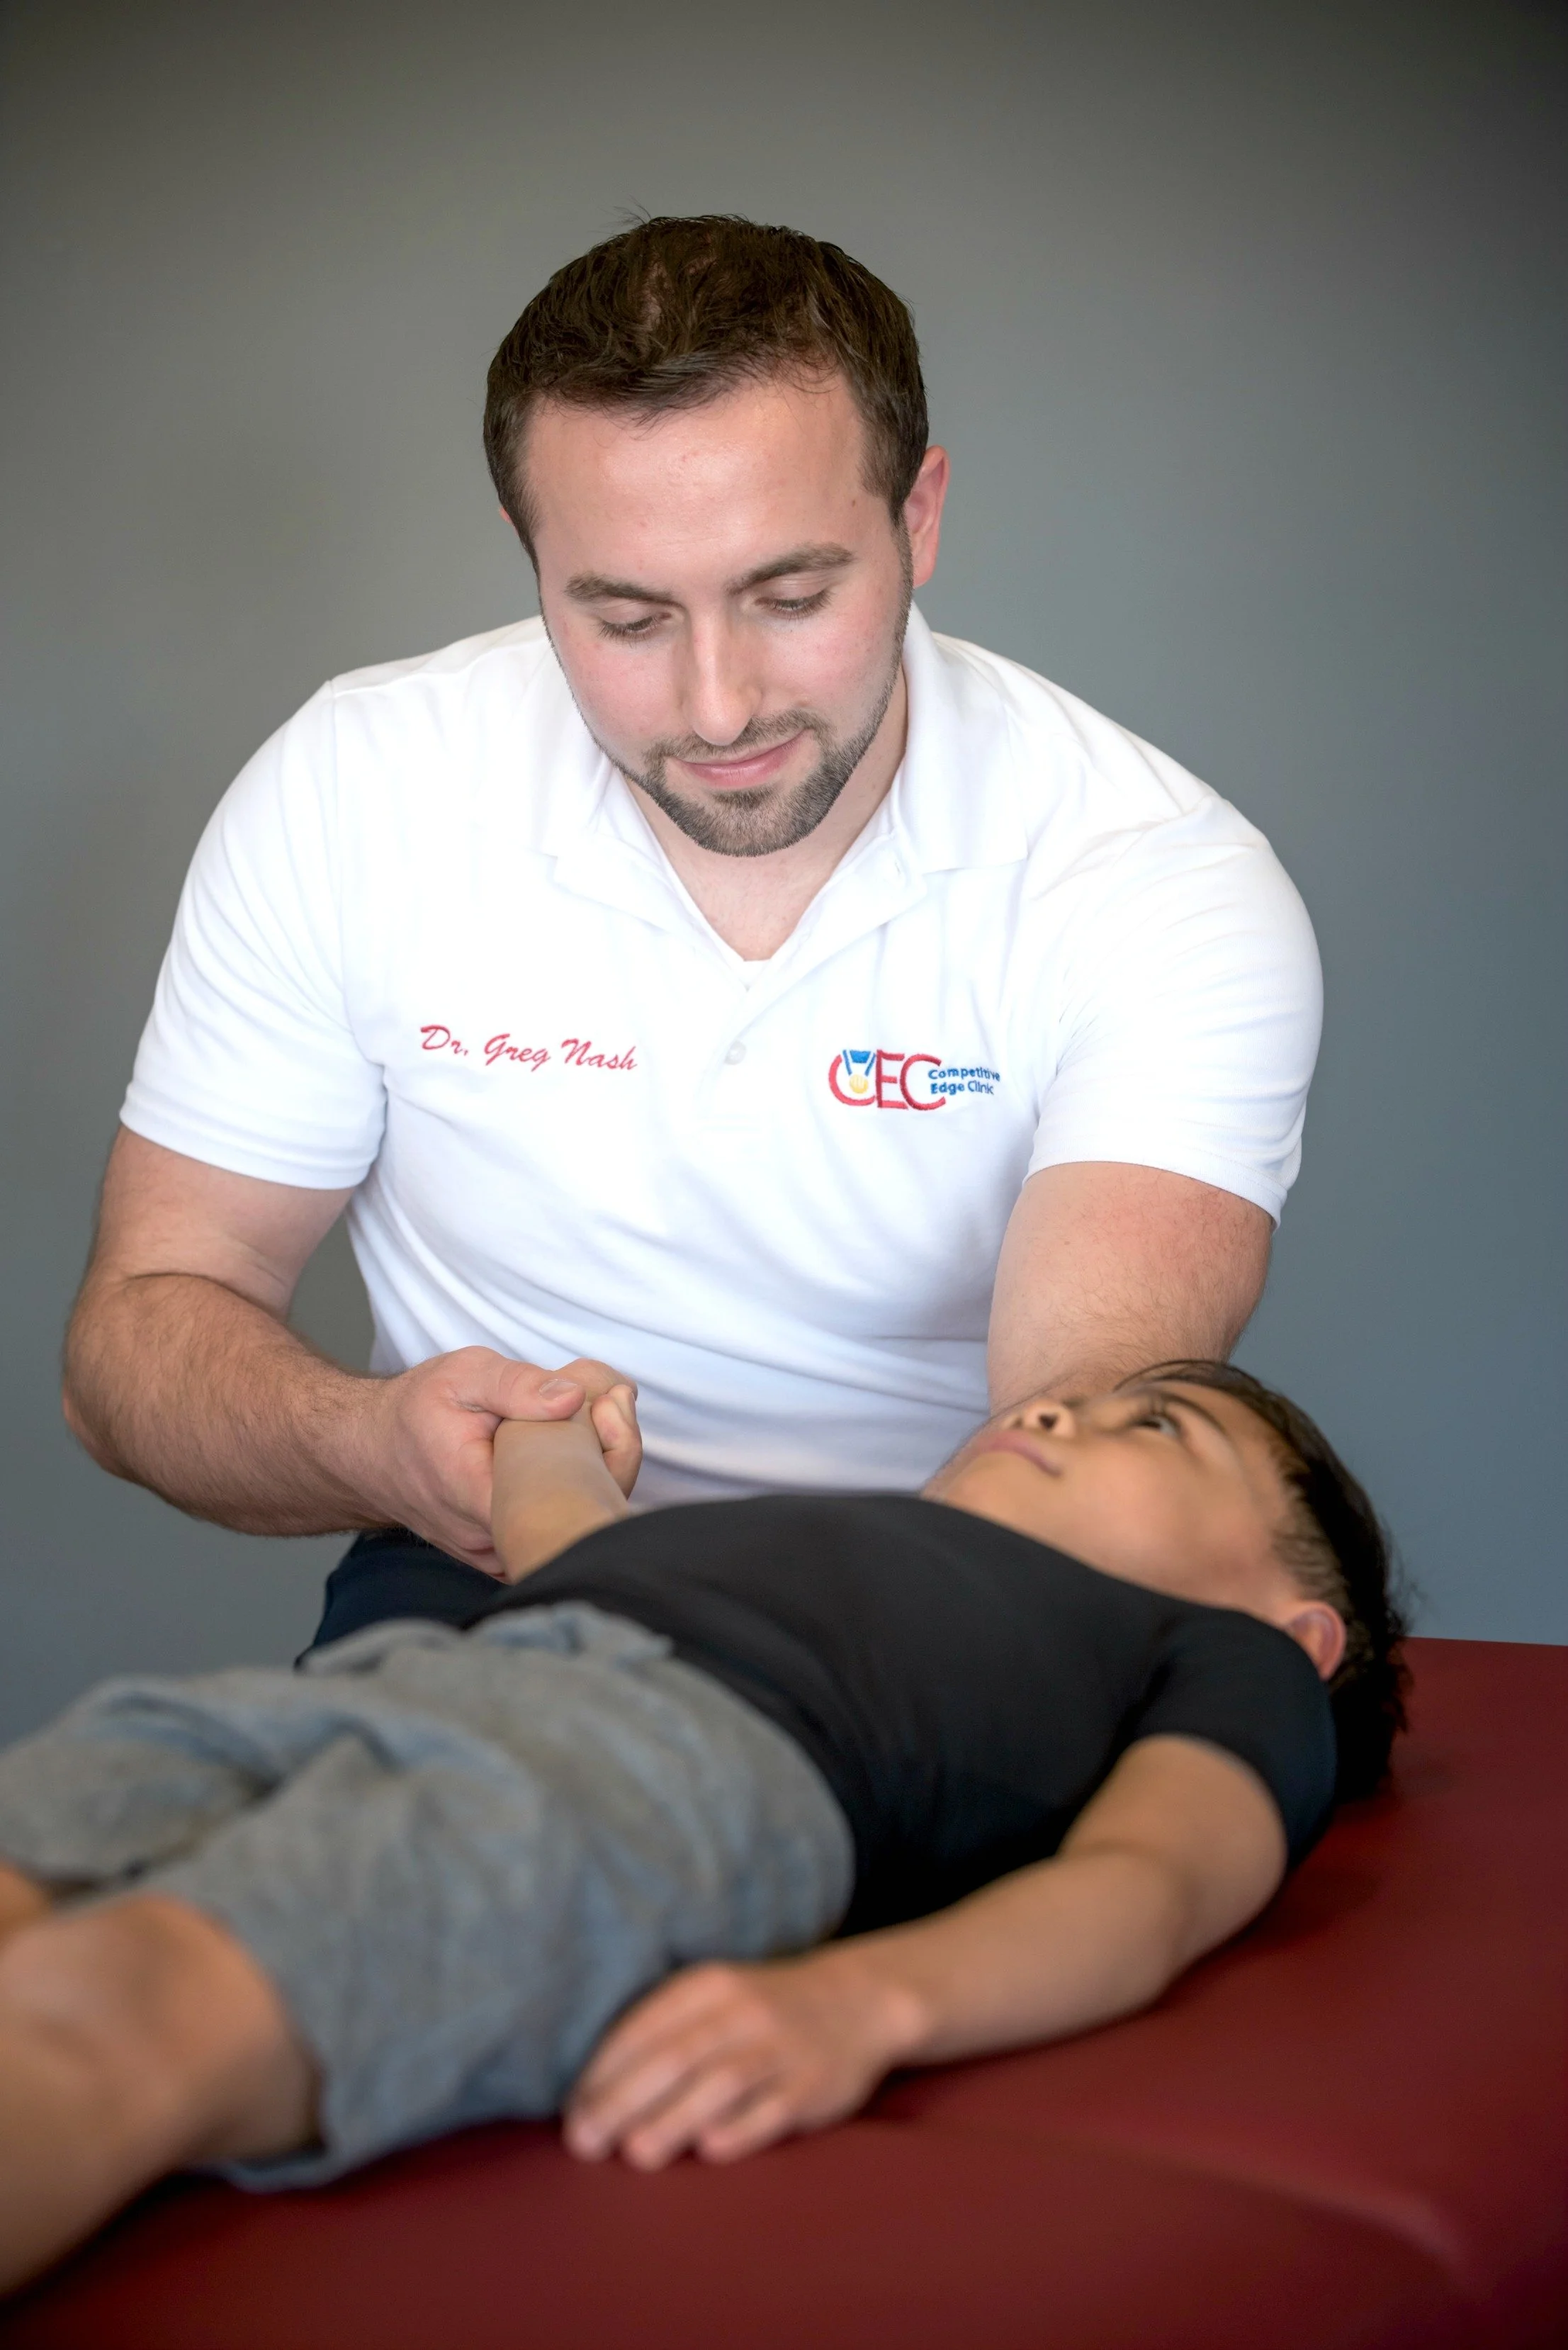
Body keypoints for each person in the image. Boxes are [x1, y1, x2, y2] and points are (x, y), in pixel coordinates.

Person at [61, 215, 1322, 1578]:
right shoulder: (352, 787)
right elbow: (137, 1336)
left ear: (919, 516)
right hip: (470, 1574)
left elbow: (1073, 1447)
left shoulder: (1155, 882)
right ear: (530, 552)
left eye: (789, 594)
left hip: (957, 1580)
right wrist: (375, 1446)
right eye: (626, 619)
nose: (718, 707)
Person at [0, 1360, 1405, 2292]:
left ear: (1296, 1621)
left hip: (662, 1778)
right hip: (417, 1682)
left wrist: (862, 2001)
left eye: (1153, 1423)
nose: (1052, 1410)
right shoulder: (820, 1539)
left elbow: (1147, 1884)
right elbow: (561, 1523)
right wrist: (543, 1415)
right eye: (1069, 1397)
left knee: (118, 2003)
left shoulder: (1230, 1660)